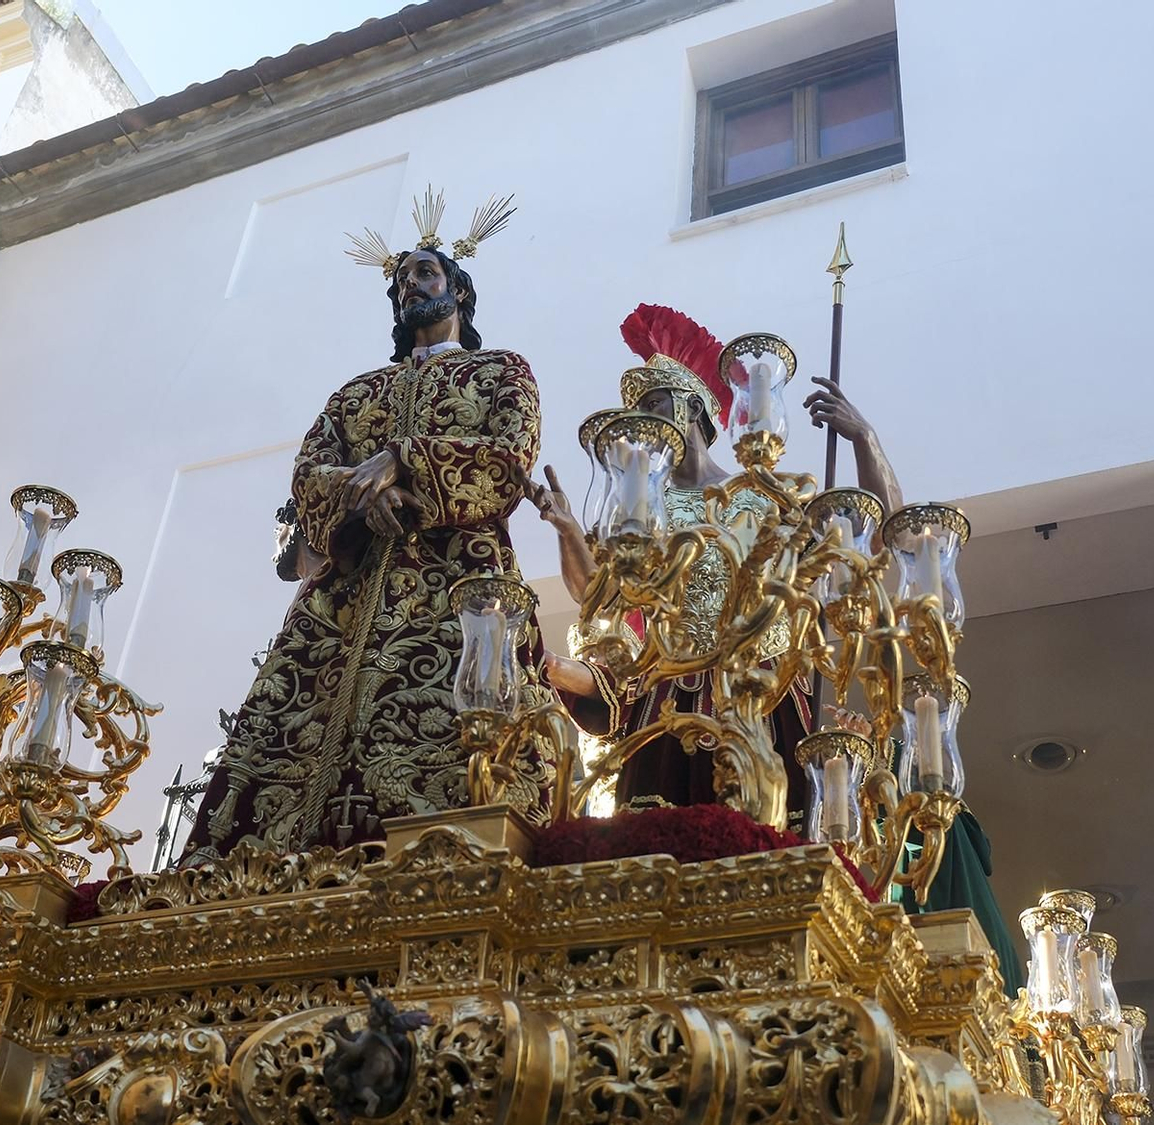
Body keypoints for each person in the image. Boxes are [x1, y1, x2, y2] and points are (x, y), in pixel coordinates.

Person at [180, 195, 551, 862]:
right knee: (280, 762)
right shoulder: (354, 394)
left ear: (458, 289)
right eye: (402, 280)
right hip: (342, 605)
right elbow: (307, 474)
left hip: (458, 589)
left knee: (460, 753)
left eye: (425, 274)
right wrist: (359, 497)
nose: (410, 285)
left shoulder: (502, 372)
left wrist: (400, 462)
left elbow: (509, 459)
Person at [528, 304, 903, 828]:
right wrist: (569, 532)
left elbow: (871, 546)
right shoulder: (642, 517)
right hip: (670, 695)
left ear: (693, 409)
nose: (642, 427)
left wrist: (865, 439)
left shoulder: (766, 497)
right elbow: (599, 596)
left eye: (655, 405)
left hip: (763, 691)